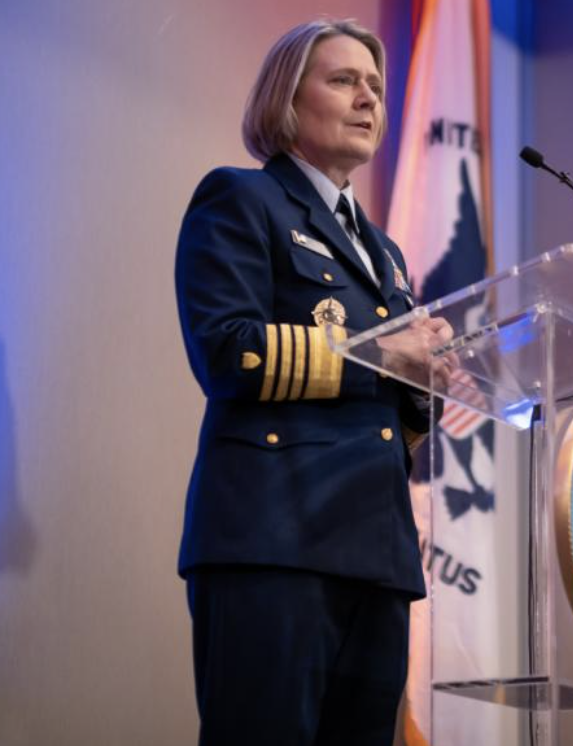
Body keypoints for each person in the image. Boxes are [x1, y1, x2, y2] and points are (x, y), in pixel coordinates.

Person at [174, 19, 451, 745]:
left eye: (376, 87)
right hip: (273, 539)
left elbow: (389, 419)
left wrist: (429, 379)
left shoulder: (386, 253)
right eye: (344, 81)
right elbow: (227, 351)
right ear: (288, 101)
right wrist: (385, 355)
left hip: (377, 554)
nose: (369, 100)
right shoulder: (241, 199)